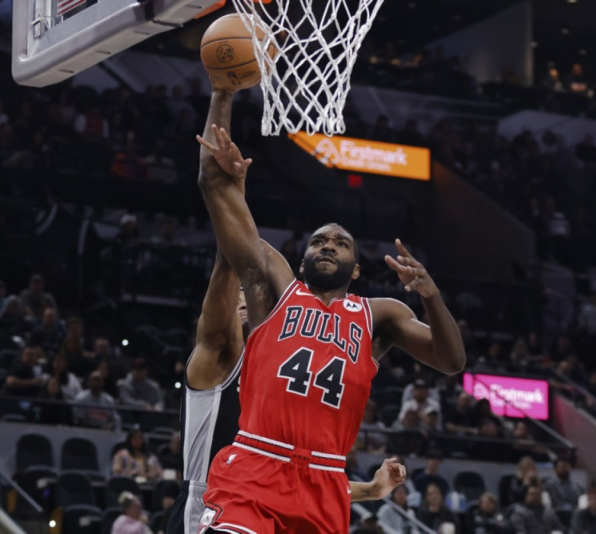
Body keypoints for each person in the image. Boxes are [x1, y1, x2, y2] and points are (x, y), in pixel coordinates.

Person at [193, 86, 465, 534]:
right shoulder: (274, 288)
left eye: (341, 243)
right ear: (302, 261)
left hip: (324, 481)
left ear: (355, 269)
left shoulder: (380, 316)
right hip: (256, 463)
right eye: (319, 241)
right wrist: (223, 92)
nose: (328, 245)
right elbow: (212, 187)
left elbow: (452, 361)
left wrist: (431, 296)